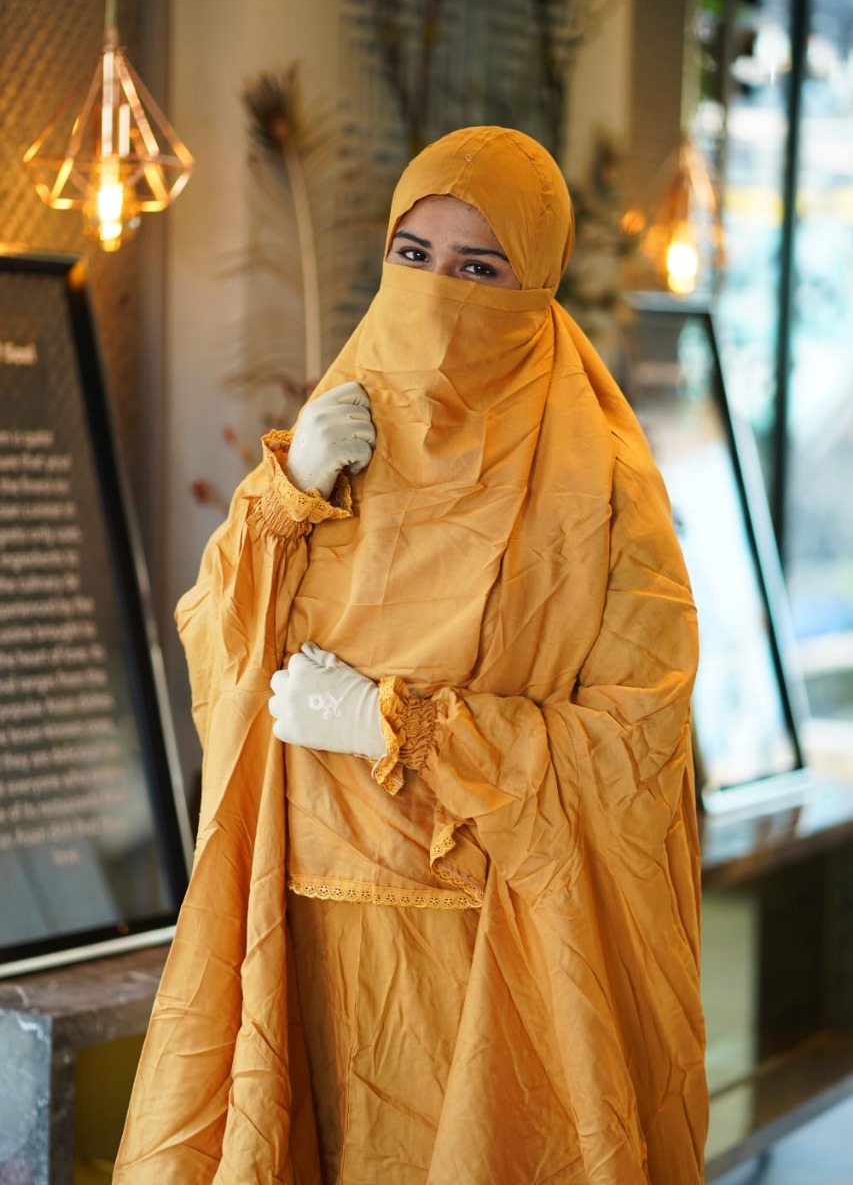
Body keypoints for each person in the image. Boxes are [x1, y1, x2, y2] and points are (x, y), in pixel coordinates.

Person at [115, 126, 707, 1184]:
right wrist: (287, 494)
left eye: (480, 268)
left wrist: (402, 726)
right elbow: (217, 633)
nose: (438, 291)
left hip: (487, 947)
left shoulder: (605, 479)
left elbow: (633, 743)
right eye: (413, 254)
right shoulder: (340, 426)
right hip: (295, 919)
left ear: (535, 286)